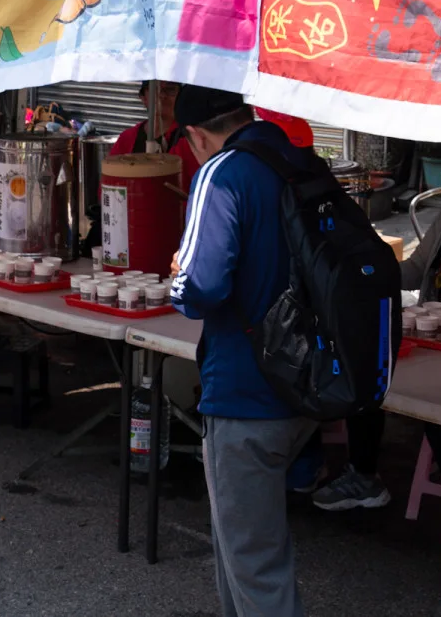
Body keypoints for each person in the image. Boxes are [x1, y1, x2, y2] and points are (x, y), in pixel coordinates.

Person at [168, 85, 314, 617]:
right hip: (308, 380)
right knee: (243, 549)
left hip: (245, 391)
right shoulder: (296, 159)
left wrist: (179, 280)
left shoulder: (222, 172)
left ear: (197, 137)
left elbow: (201, 288)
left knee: (255, 562)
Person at [313, 137, 441, 513]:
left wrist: (425, 314)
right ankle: (363, 475)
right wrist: (371, 271)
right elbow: (416, 270)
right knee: (369, 376)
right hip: (430, 334)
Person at [111, 80, 202, 190]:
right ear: (143, 97)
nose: (162, 95)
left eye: (170, 89)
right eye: (155, 89)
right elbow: (109, 182)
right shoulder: (127, 138)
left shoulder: (190, 138)